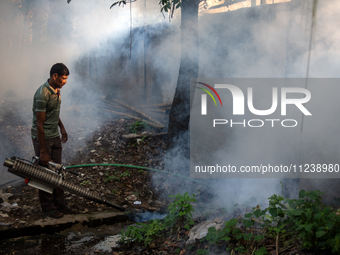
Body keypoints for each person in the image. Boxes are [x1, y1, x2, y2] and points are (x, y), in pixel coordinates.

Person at [31, 63, 72, 218]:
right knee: (45, 173)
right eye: (63, 78)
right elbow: (39, 124)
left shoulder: (57, 90)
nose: (65, 81)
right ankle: (48, 208)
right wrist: (42, 151)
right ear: (55, 76)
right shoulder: (42, 94)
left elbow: (53, 112)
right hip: (43, 137)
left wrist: (61, 127)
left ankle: (59, 203)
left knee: (57, 171)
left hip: (54, 134)